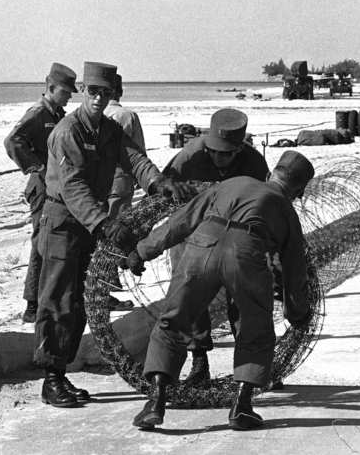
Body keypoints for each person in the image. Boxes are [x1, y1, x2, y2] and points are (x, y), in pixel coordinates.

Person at [34, 61, 193, 408]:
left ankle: (61, 373)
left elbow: (135, 159)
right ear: (82, 92)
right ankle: (51, 377)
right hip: (63, 222)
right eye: (93, 92)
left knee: (80, 301)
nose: (99, 99)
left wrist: (158, 183)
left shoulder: (107, 130)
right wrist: (104, 224)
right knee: (58, 299)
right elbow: (73, 186)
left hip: (88, 222)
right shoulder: (67, 131)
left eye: (105, 94)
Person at [126, 150, 314, 430]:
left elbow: (182, 220)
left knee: (173, 322)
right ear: (298, 191)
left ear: (270, 174)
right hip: (246, 255)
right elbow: (293, 269)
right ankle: (242, 407)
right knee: (255, 328)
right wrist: (297, 312)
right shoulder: (286, 211)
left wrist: (142, 251)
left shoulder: (232, 183)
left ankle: (156, 402)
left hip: (200, 248)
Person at [162, 108, 270, 385]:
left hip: (237, 235)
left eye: (227, 154)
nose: (220, 159)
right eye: (215, 153)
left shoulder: (254, 163)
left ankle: (253, 365)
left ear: (239, 149)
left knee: (246, 300)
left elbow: (268, 205)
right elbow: (164, 191)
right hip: (194, 233)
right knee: (190, 298)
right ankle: (199, 362)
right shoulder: (189, 156)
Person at [4, 63, 76, 323]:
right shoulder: (37, 114)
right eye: (65, 91)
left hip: (56, 187)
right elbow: (12, 141)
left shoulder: (57, 115)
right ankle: (32, 303)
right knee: (40, 243)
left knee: (54, 241)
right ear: (50, 88)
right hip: (41, 188)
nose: (69, 96)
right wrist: (37, 166)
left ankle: (47, 297)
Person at [103, 73, 146, 311]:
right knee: (118, 226)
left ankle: (106, 278)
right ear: (120, 91)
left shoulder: (91, 114)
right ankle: (110, 280)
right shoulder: (127, 116)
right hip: (120, 178)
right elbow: (138, 152)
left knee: (102, 226)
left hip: (98, 181)